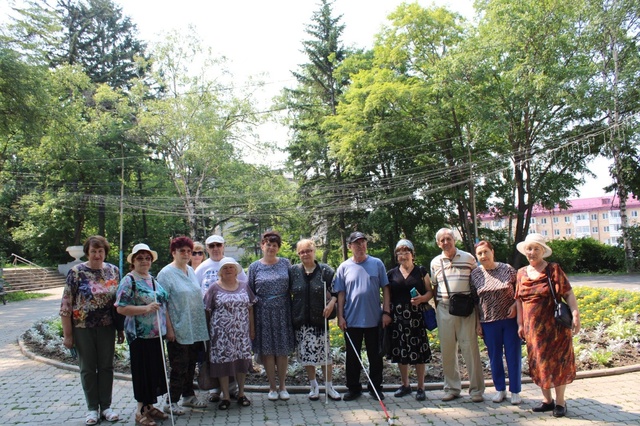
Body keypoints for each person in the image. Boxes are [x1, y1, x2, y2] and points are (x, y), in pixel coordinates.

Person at [515, 233, 581, 418]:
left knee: (558, 362)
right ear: (525, 252)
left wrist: (575, 314)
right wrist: (520, 324)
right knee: (539, 362)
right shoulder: (520, 273)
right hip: (532, 329)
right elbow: (519, 301)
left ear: (543, 251)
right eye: (529, 248)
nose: (532, 252)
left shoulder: (553, 269)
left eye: (537, 248)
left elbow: (568, 293)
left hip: (555, 327)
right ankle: (547, 401)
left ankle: (560, 402)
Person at [60, 236, 123, 425]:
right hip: (82, 328)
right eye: (94, 251)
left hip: (107, 327)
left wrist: (120, 329)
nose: (97, 255)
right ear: (88, 252)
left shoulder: (113, 270)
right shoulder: (77, 272)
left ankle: (106, 407)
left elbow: (118, 302)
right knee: (87, 369)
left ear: (105, 252)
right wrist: (68, 335)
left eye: (101, 251)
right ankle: (91, 409)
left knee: (106, 367)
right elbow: (66, 303)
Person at [115, 244, 169, 426]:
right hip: (139, 335)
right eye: (140, 258)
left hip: (156, 334)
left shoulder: (152, 280)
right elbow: (121, 308)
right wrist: (145, 308)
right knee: (142, 373)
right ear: (133, 261)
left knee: (154, 372)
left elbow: (163, 302)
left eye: (147, 258)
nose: (144, 261)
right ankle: (140, 411)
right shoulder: (129, 280)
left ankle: (149, 406)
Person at [334, 231, 391, 401]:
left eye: (363, 242)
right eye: (356, 243)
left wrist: (386, 312)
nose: (360, 246)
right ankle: (353, 388)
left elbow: (386, 288)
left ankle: (375, 388)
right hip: (352, 321)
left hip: (374, 320)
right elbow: (341, 294)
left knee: (375, 357)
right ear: (350, 246)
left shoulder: (377, 263)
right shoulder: (344, 267)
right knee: (352, 358)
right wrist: (340, 317)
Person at [430, 228, 485, 403]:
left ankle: (476, 390)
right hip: (444, 308)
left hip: (465, 309)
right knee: (447, 350)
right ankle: (452, 388)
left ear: (454, 240)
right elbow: (433, 286)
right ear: (438, 243)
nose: (445, 242)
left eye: (448, 238)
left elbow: (477, 285)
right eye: (442, 240)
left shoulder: (469, 258)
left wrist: (478, 314)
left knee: (470, 349)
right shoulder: (435, 262)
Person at [157, 237, 209, 415]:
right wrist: (169, 329)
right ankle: (171, 401)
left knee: (190, 363)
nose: (187, 254)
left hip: (194, 327)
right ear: (173, 253)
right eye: (182, 251)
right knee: (179, 365)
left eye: (189, 251)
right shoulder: (165, 274)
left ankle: (188, 395)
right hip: (178, 327)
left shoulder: (190, 270)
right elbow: (162, 304)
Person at [194, 234, 246, 401]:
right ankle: (214, 388)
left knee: (233, 352)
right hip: (210, 317)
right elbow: (196, 292)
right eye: (211, 246)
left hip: (236, 320)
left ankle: (231, 387)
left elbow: (244, 287)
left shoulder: (232, 263)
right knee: (214, 353)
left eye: (218, 245)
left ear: (224, 246)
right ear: (207, 249)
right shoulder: (202, 267)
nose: (215, 248)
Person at [470, 240, 522, 405]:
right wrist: (478, 323)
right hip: (488, 321)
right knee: (494, 357)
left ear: (492, 252)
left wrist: (515, 305)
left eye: (486, 252)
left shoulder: (507, 269)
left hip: (509, 320)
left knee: (513, 356)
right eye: (480, 254)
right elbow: (474, 301)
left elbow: (520, 292)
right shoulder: (475, 274)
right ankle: (500, 389)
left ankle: (515, 391)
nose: (483, 256)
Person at [289, 239, 341, 401]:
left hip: (320, 320)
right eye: (302, 252)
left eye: (308, 250)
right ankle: (313, 386)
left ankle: (329, 386)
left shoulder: (325, 271)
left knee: (325, 356)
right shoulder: (293, 272)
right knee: (306, 356)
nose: (305, 254)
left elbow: (337, 292)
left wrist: (332, 304)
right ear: (298, 254)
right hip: (302, 321)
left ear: (314, 251)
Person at [248, 230, 294, 401]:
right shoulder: (254, 267)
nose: (271, 248)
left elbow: (293, 287)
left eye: (275, 245)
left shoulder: (285, 263)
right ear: (262, 246)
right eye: (268, 244)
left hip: (283, 311)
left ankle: (283, 386)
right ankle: (272, 387)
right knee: (267, 351)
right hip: (263, 313)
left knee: (282, 351)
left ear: (278, 248)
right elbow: (250, 294)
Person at [204, 258, 256, 410]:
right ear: (220, 271)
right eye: (225, 268)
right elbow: (207, 311)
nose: (228, 270)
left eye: (231, 267)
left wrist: (252, 329)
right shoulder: (214, 288)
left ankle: (241, 393)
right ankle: (225, 396)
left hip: (241, 334)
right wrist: (209, 333)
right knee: (222, 365)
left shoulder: (244, 286)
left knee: (241, 363)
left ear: (236, 270)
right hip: (220, 335)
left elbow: (251, 309)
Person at [386, 238, 433, 401]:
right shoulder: (391, 274)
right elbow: (388, 296)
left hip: (416, 317)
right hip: (398, 318)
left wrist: (422, 299)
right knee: (401, 351)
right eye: (399, 252)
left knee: (419, 352)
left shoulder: (421, 271)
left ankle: (421, 387)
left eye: (406, 252)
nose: (403, 255)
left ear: (412, 254)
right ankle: (405, 384)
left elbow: (430, 292)